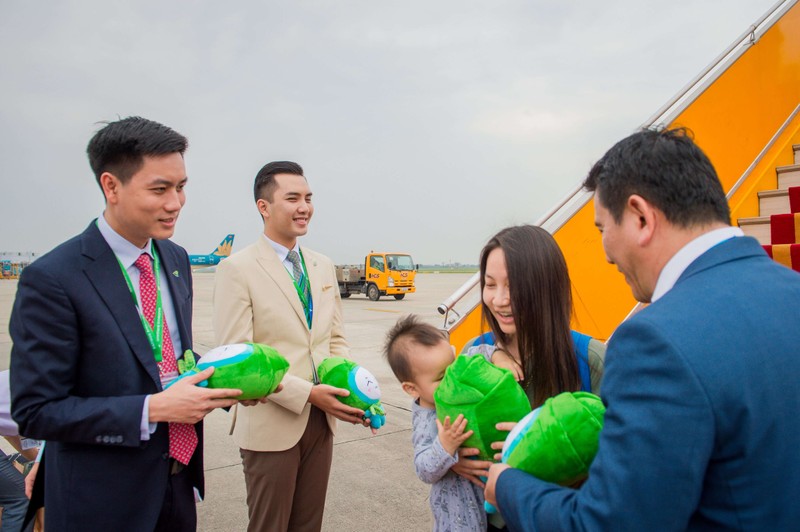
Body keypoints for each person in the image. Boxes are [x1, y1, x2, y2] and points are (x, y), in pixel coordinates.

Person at [485, 127, 800, 530]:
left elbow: (608, 523)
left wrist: (510, 486)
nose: (606, 252)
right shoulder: (790, 292)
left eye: (602, 228)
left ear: (640, 216)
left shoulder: (655, 341)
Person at [10, 116, 242, 531]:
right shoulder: (54, 278)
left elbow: (166, 361)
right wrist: (152, 409)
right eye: (160, 189)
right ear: (111, 186)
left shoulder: (174, 260)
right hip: (102, 501)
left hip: (177, 483)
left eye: (181, 186)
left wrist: (229, 378)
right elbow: (36, 410)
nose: (176, 203)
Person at [213, 161, 368, 532]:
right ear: (263, 207)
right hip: (271, 421)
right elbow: (238, 358)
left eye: (309, 198)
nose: (305, 207)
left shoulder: (321, 264)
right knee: (270, 526)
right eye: (293, 198)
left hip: (321, 420)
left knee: (308, 525)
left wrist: (352, 389)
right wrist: (308, 393)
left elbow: (335, 339)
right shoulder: (238, 268)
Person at [453, 225, 606, 491]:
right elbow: (434, 423)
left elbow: (627, 465)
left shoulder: (593, 361)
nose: (499, 300)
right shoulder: (473, 354)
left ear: (547, 286)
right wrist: (452, 459)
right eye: (490, 285)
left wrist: (544, 456)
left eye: (514, 287)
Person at [384, 315, 486, 532]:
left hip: (485, 503)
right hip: (458, 517)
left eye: (453, 367)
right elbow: (423, 469)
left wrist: (498, 355)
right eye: (441, 377)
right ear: (412, 388)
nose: (452, 379)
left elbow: (476, 356)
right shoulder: (427, 418)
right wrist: (445, 446)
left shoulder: (452, 392)